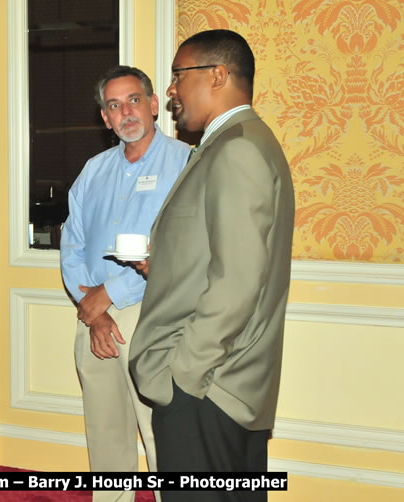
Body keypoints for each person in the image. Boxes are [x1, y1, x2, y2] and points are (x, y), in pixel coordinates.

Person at [129, 30, 296, 501]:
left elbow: (238, 280)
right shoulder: (233, 143)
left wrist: (183, 372)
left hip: (208, 388)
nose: (170, 90)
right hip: (218, 384)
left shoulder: (237, 148)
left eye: (178, 75)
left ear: (217, 75)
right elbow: (224, 256)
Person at [60, 66, 190, 502]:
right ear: (105, 118)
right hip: (92, 319)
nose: (126, 112)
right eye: (114, 105)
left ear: (154, 105)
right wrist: (94, 311)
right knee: (106, 433)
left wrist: (112, 294)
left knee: (162, 434)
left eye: (134, 100)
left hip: (153, 313)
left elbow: (184, 248)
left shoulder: (186, 163)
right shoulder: (93, 170)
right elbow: (72, 244)